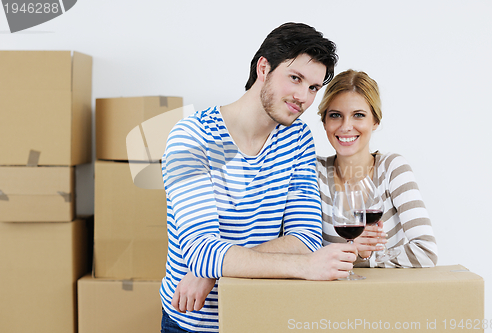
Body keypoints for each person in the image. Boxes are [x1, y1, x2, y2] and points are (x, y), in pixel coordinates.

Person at [160, 23, 358, 333]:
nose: (302, 97)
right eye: (295, 78)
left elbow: (306, 238)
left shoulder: (297, 139)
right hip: (195, 321)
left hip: (261, 314)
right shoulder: (191, 137)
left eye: (313, 88)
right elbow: (200, 250)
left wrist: (213, 270)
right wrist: (305, 267)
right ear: (263, 68)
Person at [316, 69, 438, 268]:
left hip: (382, 296)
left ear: (375, 121)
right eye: (336, 115)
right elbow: (298, 255)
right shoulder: (313, 172)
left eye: (358, 115)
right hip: (324, 297)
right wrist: (353, 250)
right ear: (324, 122)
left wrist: (366, 257)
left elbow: (426, 251)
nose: (346, 126)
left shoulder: (392, 168)